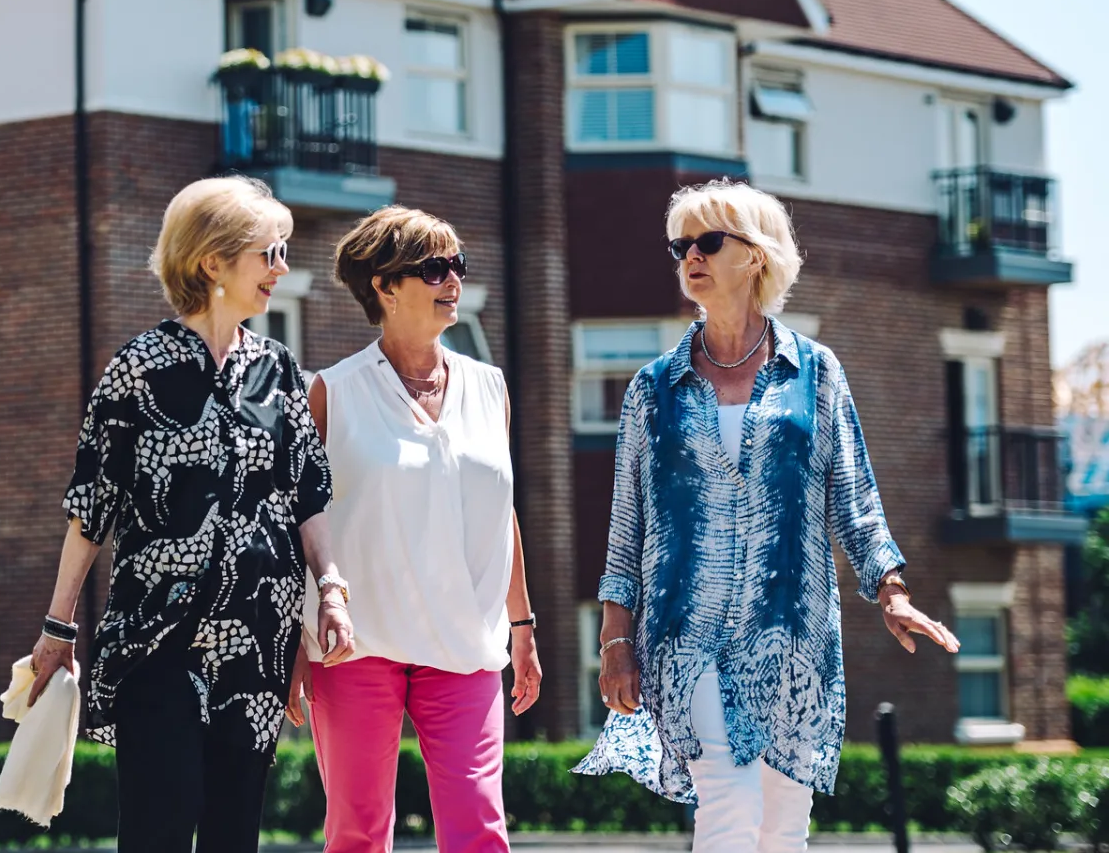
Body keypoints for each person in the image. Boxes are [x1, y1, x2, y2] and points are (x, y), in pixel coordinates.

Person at [575, 180, 959, 853]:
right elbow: (626, 523)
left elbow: (854, 496)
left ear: (755, 256)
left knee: (782, 827)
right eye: (680, 245)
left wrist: (891, 591)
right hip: (684, 633)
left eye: (709, 242)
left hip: (790, 633)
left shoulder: (815, 371)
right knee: (728, 802)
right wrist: (615, 640)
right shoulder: (652, 388)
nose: (689, 256)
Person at [28, 175, 355, 853]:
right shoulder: (138, 371)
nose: (281, 269)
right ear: (213, 261)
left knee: (235, 832)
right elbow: (92, 505)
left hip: (257, 644)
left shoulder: (280, 371)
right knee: (161, 822)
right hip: (159, 637)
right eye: (268, 253)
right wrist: (58, 624)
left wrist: (331, 588)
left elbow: (309, 492)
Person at [284, 206, 541, 853]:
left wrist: (523, 628)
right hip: (355, 646)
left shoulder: (491, 388)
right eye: (433, 268)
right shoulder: (330, 393)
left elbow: (497, 510)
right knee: (358, 833)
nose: (452, 279)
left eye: (458, 265)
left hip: (463, 646)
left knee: (480, 831)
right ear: (384, 286)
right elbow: (298, 523)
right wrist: (292, 642)